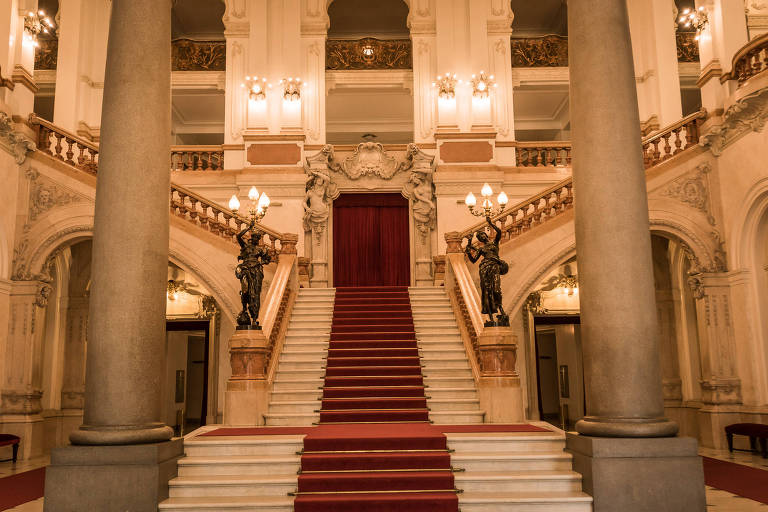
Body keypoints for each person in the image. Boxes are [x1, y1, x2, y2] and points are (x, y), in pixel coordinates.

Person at [465, 216, 509, 326]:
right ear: (479, 239)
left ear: (486, 235)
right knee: (487, 291)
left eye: (483, 235)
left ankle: (501, 311)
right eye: (480, 237)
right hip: (484, 268)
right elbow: (473, 260)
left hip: (494, 266)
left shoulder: (495, 243)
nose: (482, 237)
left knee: (496, 290)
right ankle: (490, 317)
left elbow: (499, 232)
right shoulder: (481, 249)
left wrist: (491, 223)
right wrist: (469, 252)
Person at [235, 220, 272, 328]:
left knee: (255, 294)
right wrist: (248, 227)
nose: (256, 239)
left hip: (256, 271)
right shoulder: (245, 246)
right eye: (255, 237)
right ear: (252, 237)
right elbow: (238, 236)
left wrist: (262, 262)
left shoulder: (260, 249)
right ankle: (244, 308)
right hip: (246, 269)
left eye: (258, 238)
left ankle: (255, 318)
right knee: (245, 290)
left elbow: (267, 260)